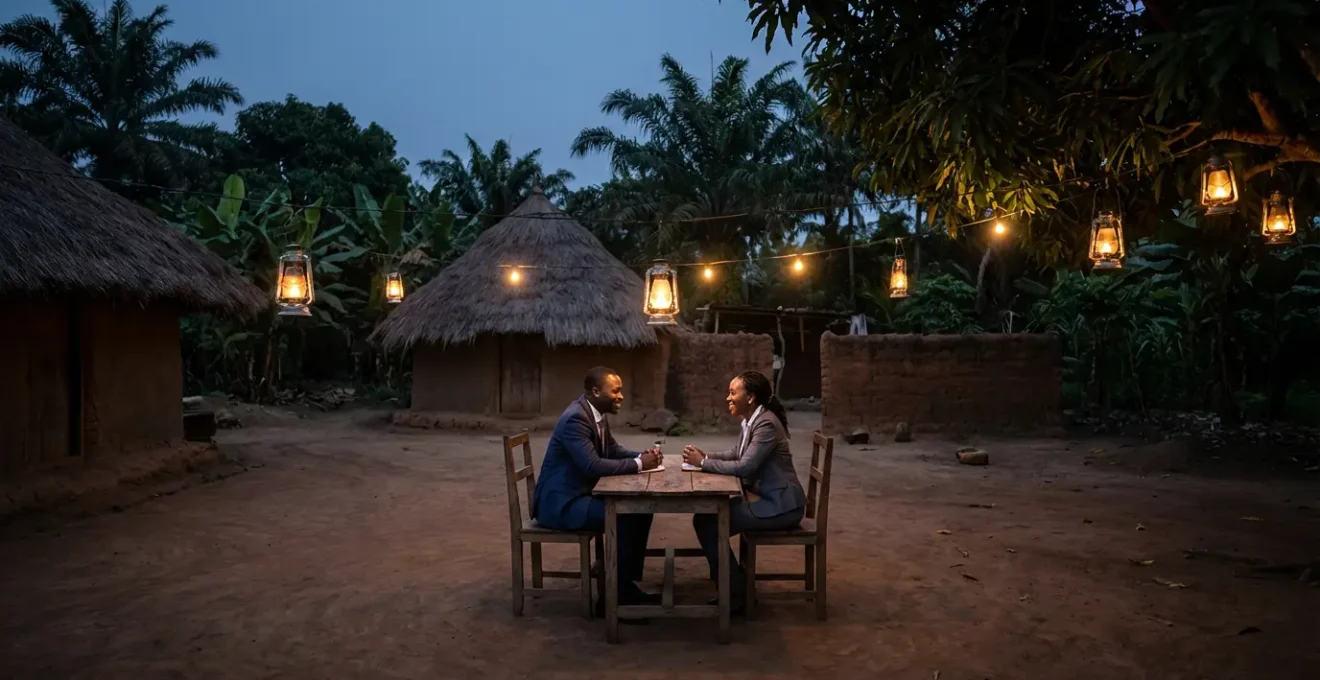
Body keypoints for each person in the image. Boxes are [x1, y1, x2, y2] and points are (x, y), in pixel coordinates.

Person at [533, 366, 663, 617]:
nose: (621, 396)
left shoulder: (595, 414)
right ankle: (613, 598)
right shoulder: (576, 419)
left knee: (642, 509)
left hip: (579, 496)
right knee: (626, 515)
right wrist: (639, 465)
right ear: (595, 392)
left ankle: (622, 585)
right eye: (615, 391)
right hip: (561, 504)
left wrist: (641, 456)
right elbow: (591, 465)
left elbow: (612, 450)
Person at [681, 370, 806, 612]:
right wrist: (704, 457)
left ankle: (735, 592)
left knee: (708, 523)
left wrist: (703, 464)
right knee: (706, 519)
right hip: (766, 499)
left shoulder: (766, 423)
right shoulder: (752, 420)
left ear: (750, 398)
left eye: (732, 392)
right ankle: (734, 587)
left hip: (781, 506)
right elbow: (736, 454)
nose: (728, 398)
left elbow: (745, 466)